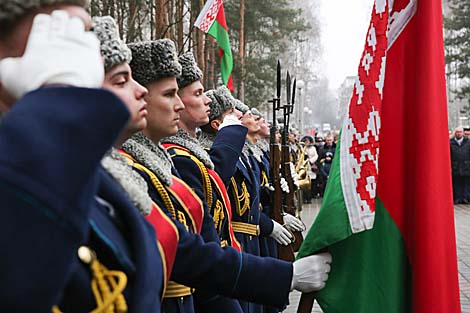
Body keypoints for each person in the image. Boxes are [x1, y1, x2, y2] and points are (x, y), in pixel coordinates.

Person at [0, 4, 165, 312]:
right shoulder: (53, 149)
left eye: (85, 35)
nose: (83, 53)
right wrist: (60, 95)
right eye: (63, 33)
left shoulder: (79, 162)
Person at [450, 126, 470, 204]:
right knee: (457, 183)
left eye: (460, 132)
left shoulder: (468, 142)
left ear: (463, 133)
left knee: (466, 183)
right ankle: (457, 198)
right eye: (457, 132)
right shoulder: (451, 143)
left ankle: (466, 198)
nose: (458, 133)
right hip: (455, 165)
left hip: (466, 166)